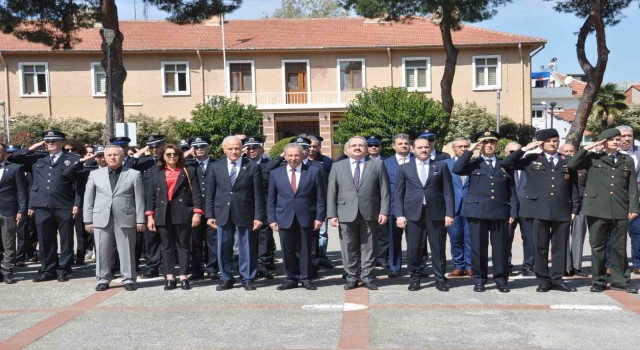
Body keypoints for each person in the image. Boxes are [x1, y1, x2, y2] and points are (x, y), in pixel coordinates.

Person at [502, 129, 579, 292]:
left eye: (555, 140)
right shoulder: (531, 159)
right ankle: (543, 279)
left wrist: (575, 208)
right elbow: (506, 163)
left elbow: (574, 187)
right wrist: (525, 149)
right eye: (549, 141)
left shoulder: (567, 161)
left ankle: (557, 279)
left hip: (562, 209)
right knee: (540, 246)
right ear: (542, 143)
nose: (553, 143)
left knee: (560, 247)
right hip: (538, 209)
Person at [9, 130, 90, 282]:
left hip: (64, 204)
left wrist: (77, 204)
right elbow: (14, 158)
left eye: (53, 140)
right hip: (42, 204)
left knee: (66, 239)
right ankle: (48, 269)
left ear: (61, 142)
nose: (49, 143)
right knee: (45, 239)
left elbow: (79, 185)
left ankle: (64, 269)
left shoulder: (72, 159)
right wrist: (34, 147)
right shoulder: (37, 157)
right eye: (47, 141)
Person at [568, 128, 639, 294]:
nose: (616, 141)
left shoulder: (626, 160)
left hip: (620, 209)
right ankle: (599, 280)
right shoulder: (592, 158)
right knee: (598, 247)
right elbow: (571, 164)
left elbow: (633, 187)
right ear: (603, 142)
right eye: (612, 139)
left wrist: (634, 207)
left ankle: (620, 280)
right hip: (596, 209)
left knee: (619, 247)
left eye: (618, 139)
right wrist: (588, 147)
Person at [453, 131, 516, 293]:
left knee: (500, 248)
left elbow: (512, 190)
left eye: (492, 142)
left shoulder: (504, 164)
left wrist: (513, 212)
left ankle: (501, 279)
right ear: (480, 145)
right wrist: (470, 149)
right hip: (477, 211)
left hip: (500, 211)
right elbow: (457, 168)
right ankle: (479, 279)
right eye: (485, 142)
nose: (489, 145)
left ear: (496, 145)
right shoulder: (473, 163)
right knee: (478, 248)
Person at [328, 136, 390, 290]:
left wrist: (384, 211)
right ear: (347, 149)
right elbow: (331, 191)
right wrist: (332, 214)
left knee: (369, 246)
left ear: (366, 148)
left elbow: (385, 191)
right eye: (353, 145)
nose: (357, 148)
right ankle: (351, 277)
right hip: (345, 212)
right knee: (348, 246)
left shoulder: (377, 164)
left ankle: (367, 276)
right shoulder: (338, 166)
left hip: (371, 212)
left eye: (361, 145)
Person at [205, 136, 265, 291]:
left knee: (247, 247)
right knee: (224, 246)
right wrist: (210, 214)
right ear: (224, 150)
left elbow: (259, 194)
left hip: (245, 211)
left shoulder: (252, 166)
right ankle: (226, 278)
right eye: (230, 148)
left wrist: (258, 216)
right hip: (222, 212)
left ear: (242, 149)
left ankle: (247, 278)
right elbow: (210, 193)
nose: (234, 151)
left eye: (237, 148)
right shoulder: (215, 166)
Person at [83, 145, 145, 292]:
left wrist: (140, 219)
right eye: (109, 155)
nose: (112, 157)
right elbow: (88, 198)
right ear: (104, 157)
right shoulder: (95, 174)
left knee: (126, 249)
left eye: (116, 155)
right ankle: (103, 279)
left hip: (125, 216)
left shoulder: (133, 174)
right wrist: (88, 219)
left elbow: (140, 198)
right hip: (101, 217)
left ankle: (129, 278)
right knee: (102, 250)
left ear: (123, 157)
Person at [395, 137, 454, 291]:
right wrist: (400, 214)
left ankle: (440, 278)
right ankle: (415, 278)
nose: (423, 150)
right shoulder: (404, 168)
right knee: (414, 248)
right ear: (413, 149)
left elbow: (448, 192)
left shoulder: (440, 166)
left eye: (426, 147)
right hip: (413, 214)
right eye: (420, 147)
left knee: (438, 247)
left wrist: (449, 213)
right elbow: (399, 194)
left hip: (436, 213)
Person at [267, 143, 325, 290]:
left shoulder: (314, 171)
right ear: (285, 157)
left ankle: (306, 278)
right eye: (290, 155)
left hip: (306, 216)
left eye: (296, 155)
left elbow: (320, 197)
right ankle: (291, 278)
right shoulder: (276, 173)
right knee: (287, 249)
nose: (293, 158)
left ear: (303, 155)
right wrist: (272, 219)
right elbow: (271, 199)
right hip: (284, 217)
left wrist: (319, 217)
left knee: (306, 249)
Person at [146, 145, 203, 290]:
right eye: (169, 154)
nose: (172, 157)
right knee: (166, 246)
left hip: (183, 211)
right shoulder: (155, 172)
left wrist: (197, 212)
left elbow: (196, 192)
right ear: (163, 156)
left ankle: (183, 276)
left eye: (175, 154)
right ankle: (170, 276)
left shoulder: (189, 170)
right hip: (162, 212)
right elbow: (151, 195)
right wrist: (150, 216)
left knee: (183, 244)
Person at [130, 135, 165, 279]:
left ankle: (169, 266)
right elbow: (126, 168)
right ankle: (152, 267)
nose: (155, 149)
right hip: (148, 205)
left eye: (157, 146)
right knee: (151, 238)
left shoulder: (169, 159)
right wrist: (138, 153)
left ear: (163, 145)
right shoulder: (142, 162)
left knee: (169, 237)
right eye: (151, 147)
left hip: (166, 203)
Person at [184, 136, 219, 280]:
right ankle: (197, 270)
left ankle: (212, 269)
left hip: (213, 208)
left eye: (202, 146)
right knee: (195, 241)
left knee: (213, 240)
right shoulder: (187, 165)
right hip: (194, 209)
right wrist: (186, 154)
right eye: (196, 147)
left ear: (208, 148)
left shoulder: (217, 164)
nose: (199, 149)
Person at [244, 136, 276, 279]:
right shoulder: (242, 164)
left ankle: (263, 265)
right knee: (248, 237)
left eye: (255, 147)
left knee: (264, 236)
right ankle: (249, 265)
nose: (251, 151)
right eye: (249, 148)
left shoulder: (269, 164)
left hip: (264, 205)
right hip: (245, 206)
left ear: (261, 149)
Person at [502, 142, 535, 276]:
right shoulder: (502, 166)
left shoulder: (528, 165)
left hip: (528, 208)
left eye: (518, 151)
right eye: (511, 152)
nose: (515, 154)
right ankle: (506, 264)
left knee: (530, 238)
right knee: (506, 239)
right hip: (508, 209)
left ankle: (529, 266)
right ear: (506, 154)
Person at [383, 133, 413, 277]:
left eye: (406, 143)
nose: (403, 146)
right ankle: (395, 267)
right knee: (394, 240)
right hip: (393, 207)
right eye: (400, 143)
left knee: (415, 240)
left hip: (415, 207)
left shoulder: (417, 160)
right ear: (393, 146)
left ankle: (415, 268)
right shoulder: (385, 163)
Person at [442, 137, 472, 277]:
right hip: (452, 207)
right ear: (453, 149)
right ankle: (458, 266)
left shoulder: (474, 163)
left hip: (471, 206)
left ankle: (470, 266)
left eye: (466, 146)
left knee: (470, 238)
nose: (463, 149)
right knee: (455, 238)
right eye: (460, 146)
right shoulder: (444, 164)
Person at [559, 143, 589, 277]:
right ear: (561, 152)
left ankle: (577, 266)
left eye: (572, 151)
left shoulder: (583, 166)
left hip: (581, 204)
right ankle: (566, 266)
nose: (569, 153)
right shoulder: (558, 166)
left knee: (578, 236)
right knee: (563, 236)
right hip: (563, 205)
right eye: (566, 151)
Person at [0, 143, 28, 284]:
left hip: (8, 210)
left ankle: (7, 271)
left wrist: (21, 210)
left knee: (9, 243)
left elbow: (22, 192)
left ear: (5, 153)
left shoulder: (15, 169)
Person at [616, 125, 640, 275]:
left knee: (637, 233)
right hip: (616, 199)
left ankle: (637, 264)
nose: (626, 138)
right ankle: (610, 264)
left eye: (629, 136)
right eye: (623, 136)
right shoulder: (610, 154)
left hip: (636, 200)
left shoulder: (638, 152)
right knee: (613, 235)